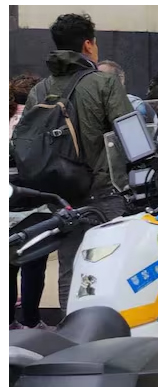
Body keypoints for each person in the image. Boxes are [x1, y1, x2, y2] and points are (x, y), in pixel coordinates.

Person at [23, 13, 133, 311]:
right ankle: (111, 341)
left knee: (70, 268)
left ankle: (72, 337)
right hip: (104, 193)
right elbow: (133, 141)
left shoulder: (39, 90)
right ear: (88, 45)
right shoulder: (104, 84)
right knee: (112, 265)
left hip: (62, 197)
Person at [9, 74, 50, 330]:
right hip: (36, 204)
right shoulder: (43, 118)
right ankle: (32, 321)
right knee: (34, 266)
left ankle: (8, 323)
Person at [97, 60, 158, 125]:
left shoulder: (138, 106)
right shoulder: (93, 108)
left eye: (104, 80)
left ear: (121, 79)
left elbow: (152, 132)